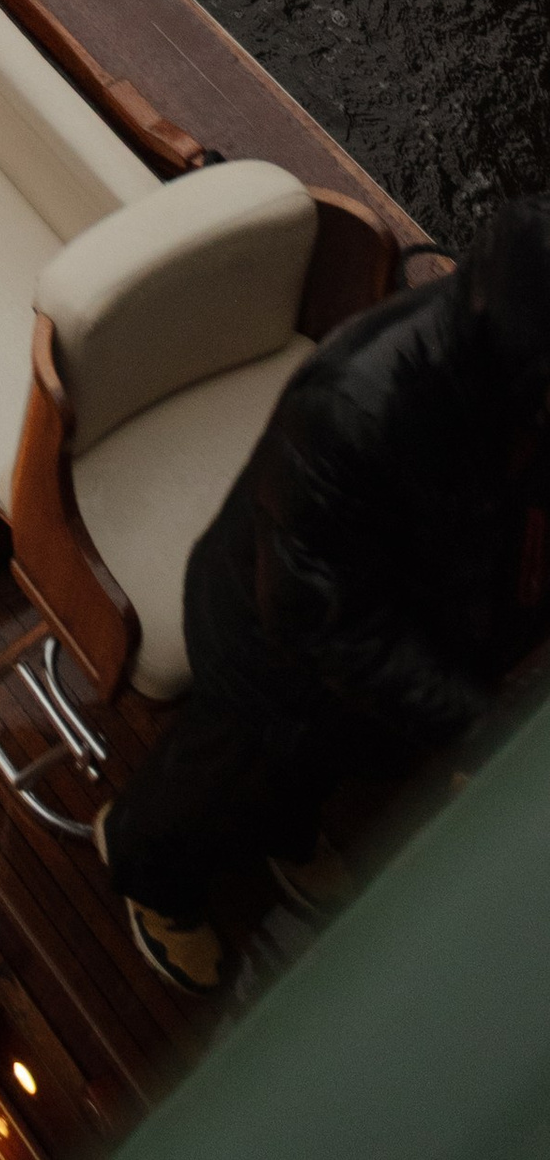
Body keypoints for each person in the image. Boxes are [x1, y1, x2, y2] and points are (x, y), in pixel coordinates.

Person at [99, 195, 550, 993]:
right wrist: (475, 724)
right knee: (210, 778)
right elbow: (318, 615)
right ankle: (148, 873)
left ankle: (288, 831)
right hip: (270, 639)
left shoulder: (506, 382)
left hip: (388, 623)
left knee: (315, 764)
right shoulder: (354, 409)